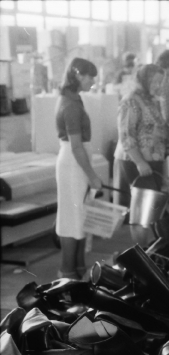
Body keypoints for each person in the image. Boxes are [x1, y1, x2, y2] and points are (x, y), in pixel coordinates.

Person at [55, 58, 102, 279]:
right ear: (77, 76)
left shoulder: (73, 98)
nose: (93, 80)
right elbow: (76, 147)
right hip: (73, 164)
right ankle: (67, 272)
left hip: (76, 162)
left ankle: (79, 268)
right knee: (71, 220)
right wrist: (92, 176)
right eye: (89, 76)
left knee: (79, 216)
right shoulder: (71, 105)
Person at [113, 64, 169, 207]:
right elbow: (126, 135)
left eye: (160, 82)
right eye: (155, 81)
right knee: (137, 209)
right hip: (134, 162)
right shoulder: (131, 100)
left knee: (148, 209)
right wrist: (140, 162)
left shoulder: (150, 99)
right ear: (144, 80)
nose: (158, 86)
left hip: (150, 160)